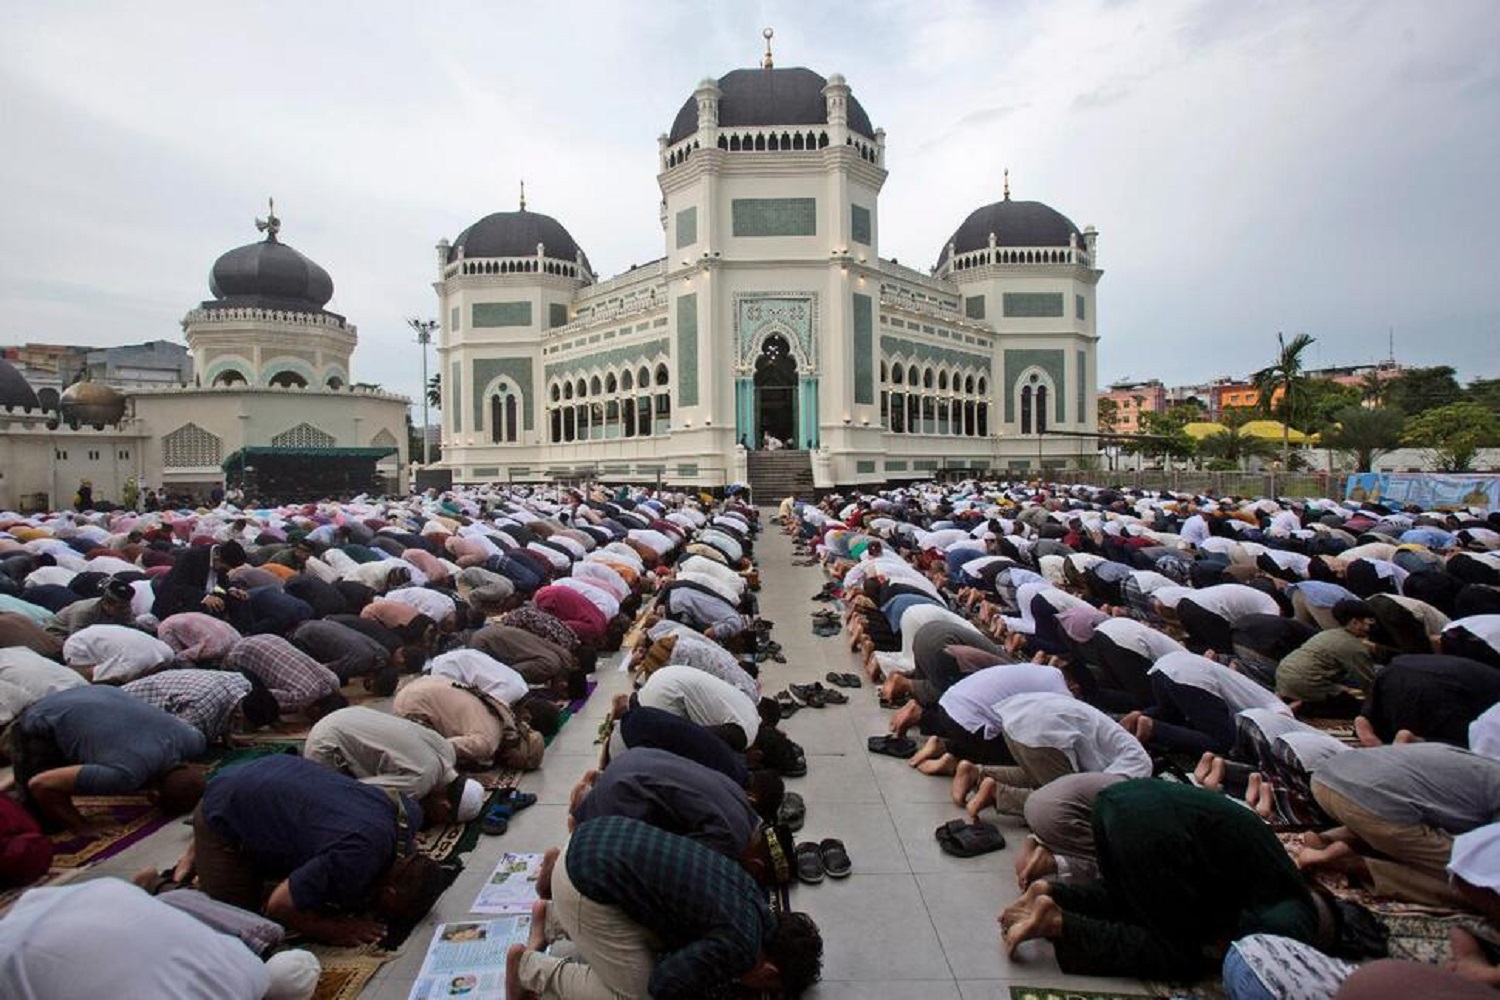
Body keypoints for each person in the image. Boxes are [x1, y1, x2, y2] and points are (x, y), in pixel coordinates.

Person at [1000, 779, 1331, 980]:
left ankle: (1056, 894)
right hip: (1154, 830)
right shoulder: (1290, 920)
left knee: (1129, 898)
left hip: (1118, 801)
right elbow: (1241, 944)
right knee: (1176, 954)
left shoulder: (1278, 877)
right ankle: (1060, 923)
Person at [509, 815, 822, 999]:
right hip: (584, 883)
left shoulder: (753, 894)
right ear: (769, 972)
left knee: (661, 932)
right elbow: (662, 985)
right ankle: (529, 969)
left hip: (592, 839)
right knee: (635, 994)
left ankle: (551, 919)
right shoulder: (742, 947)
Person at [180, 753, 448, 946]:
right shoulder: (355, 857)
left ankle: (205, 849)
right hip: (227, 802)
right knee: (242, 928)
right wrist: (332, 929)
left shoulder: (409, 815)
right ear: (389, 893)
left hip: (273, 771)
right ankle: (161, 883)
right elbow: (278, 905)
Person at [0, 877, 319, 1000]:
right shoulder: (105, 888)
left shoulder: (9, 951)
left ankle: (164, 887)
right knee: (290, 967)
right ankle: (162, 887)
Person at [1300, 743, 1500, 908]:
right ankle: (1354, 863)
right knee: (1473, 879)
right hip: (1369, 804)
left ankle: (1330, 840)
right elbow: (1485, 856)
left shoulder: (1481, 763)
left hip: (1326, 780)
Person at [569, 747, 789, 883]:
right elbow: (673, 858)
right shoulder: (731, 842)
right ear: (757, 866)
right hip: (620, 794)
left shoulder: (744, 802)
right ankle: (580, 820)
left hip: (632, 759)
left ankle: (593, 792)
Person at [11, 685, 206, 833]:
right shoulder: (125, 775)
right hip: (41, 716)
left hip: (94, 691)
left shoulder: (193, 740)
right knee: (41, 822)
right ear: (152, 795)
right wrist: (81, 828)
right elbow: (41, 784)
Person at [303, 706, 485, 828]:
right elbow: (358, 793)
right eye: (442, 820)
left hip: (347, 714)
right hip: (326, 743)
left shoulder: (447, 751)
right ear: (445, 806)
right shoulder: (418, 782)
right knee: (340, 807)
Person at [392, 674, 544, 771]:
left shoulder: (507, 715)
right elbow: (443, 746)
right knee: (426, 759)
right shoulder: (486, 743)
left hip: (427, 681)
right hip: (413, 703)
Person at [1275, 599, 1383, 717]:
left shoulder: (1328, 634)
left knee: (1346, 687)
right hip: (1306, 683)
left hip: (1284, 676)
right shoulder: (1354, 647)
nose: (1370, 626)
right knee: (1358, 708)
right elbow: (1369, 683)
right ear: (1354, 622)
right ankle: (1305, 707)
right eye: (1368, 622)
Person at [122, 668, 280, 745]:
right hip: (130, 704)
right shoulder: (200, 711)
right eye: (248, 728)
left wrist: (227, 737)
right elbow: (172, 738)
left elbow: (230, 709)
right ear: (239, 717)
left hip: (166, 689)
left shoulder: (243, 685)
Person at [223, 634, 346, 720]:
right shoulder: (302, 697)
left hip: (268, 638)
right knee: (253, 697)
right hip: (242, 652)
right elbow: (259, 698)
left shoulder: (333, 680)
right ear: (316, 710)